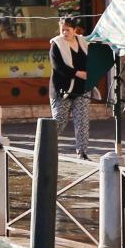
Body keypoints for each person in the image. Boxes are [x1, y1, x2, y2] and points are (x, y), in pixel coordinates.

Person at [48, 17, 93, 159]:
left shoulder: (83, 42)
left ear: (75, 30)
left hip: (82, 88)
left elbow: (91, 59)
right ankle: (46, 145)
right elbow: (58, 66)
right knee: (59, 120)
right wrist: (78, 73)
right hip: (63, 89)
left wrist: (91, 73)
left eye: (68, 29)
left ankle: (82, 152)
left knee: (82, 121)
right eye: (63, 30)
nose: (65, 33)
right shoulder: (57, 44)